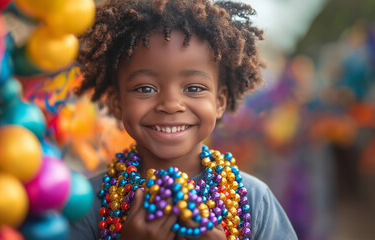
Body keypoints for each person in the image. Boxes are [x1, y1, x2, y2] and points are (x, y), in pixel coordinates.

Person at [70, 0, 297, 239]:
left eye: (194, 88)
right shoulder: (86, 205)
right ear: (117, 103)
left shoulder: (254, 200)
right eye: (145, 89)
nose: (170, 105)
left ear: (219, 102)